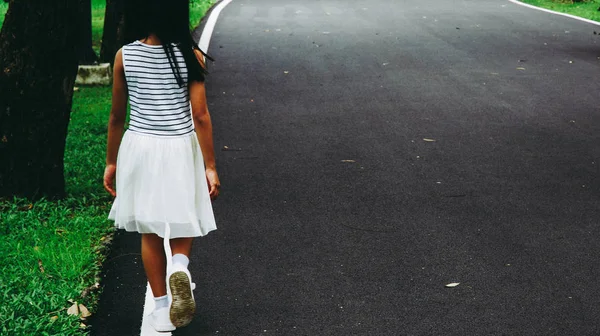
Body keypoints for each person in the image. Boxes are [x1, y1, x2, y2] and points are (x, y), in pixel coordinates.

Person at [102, 0, 220, 331]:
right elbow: (200, 116)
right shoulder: (190, 56)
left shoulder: (125, 56)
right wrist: (210, 166)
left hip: (140, 146)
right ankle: (179, 266)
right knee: (183, 216)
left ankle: (160, 307)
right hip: (179, 146)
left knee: (149, 230)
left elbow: (115, 117)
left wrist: (111, 162)